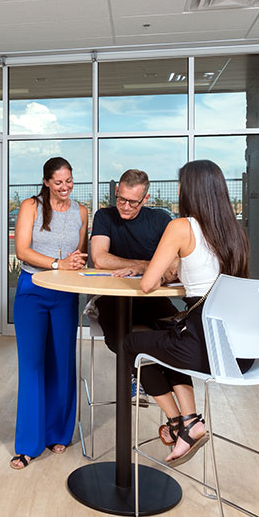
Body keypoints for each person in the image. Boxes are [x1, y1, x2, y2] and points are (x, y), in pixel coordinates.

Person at [117, 160, 250, 465]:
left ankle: (180, 423)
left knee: (132, 343)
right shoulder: (236, 231)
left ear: (189, 191)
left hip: (205, 346)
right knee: (167, 339)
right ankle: (189, 422)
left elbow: (147, 284)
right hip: (240, 350)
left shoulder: (181, 227)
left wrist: (158, 273)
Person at [10, 156, 88, 469]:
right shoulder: (31, 206)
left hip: (65, 293)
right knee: (32, 365)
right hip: (32, 290)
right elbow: (22, 251)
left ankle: (59, 433)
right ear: (46, 182)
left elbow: (79, 254)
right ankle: (28, 444)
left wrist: (74, 263)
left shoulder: (81, 211)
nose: (65, 187)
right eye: (58, 182)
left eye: (69, 181)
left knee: (62, 363)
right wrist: (57, 263)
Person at [89, 169, 178, 395]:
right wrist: (148, 265)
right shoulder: (104, 216)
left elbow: (175, 264)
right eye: (121, 199)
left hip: (152, 298)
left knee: (178, 336)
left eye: (133, 202)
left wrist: (141, 268)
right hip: (113, 301)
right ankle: (144, 382)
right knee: (123, 341)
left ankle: (180, 407)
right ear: (116, 192)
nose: (126, 206)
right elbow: (99, 258)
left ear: (145, 198)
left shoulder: (160, 220)